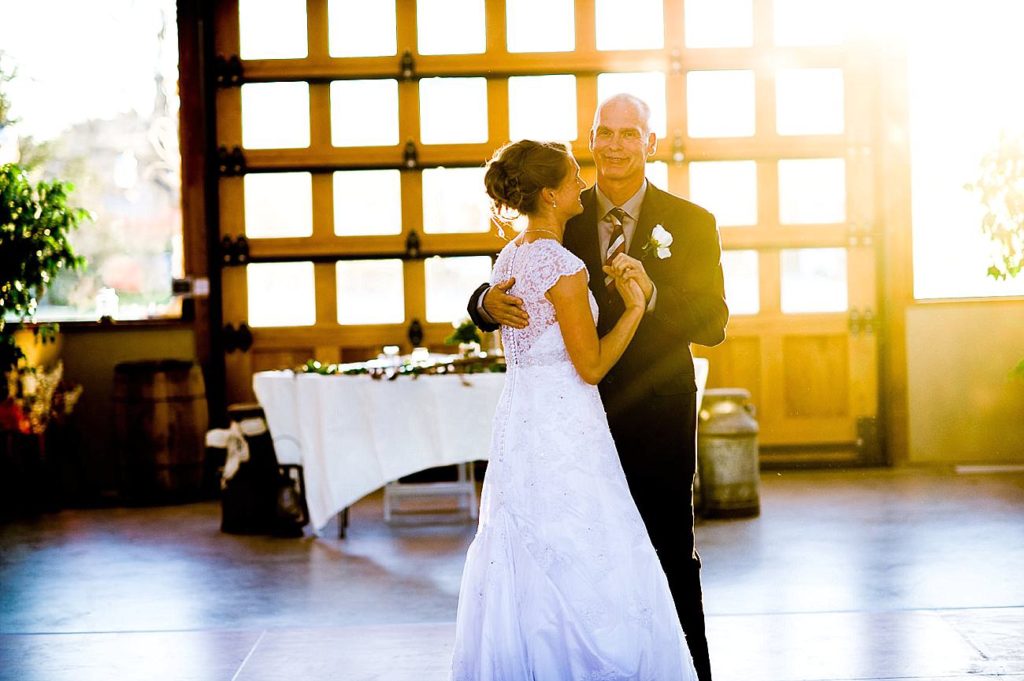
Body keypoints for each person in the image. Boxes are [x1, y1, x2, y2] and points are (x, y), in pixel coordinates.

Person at [466, 94, 728, 681]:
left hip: (657, 414)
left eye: (629, 134)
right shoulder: (559, 206)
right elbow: (505, 282)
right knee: (580, 555)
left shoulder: (691, 222)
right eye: (604, 133)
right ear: (590, 139)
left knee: (666, 550)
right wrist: (485, 302)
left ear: (650, 143)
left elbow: (714, 321)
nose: (615, 145)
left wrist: (651, 297)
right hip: (577, 421)